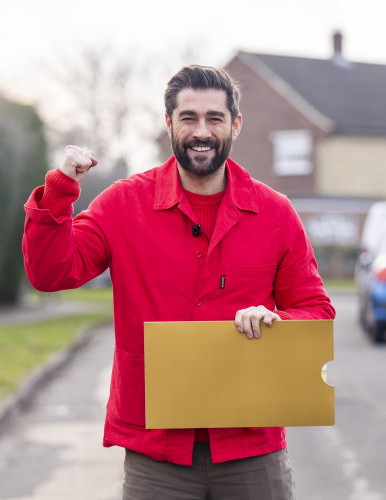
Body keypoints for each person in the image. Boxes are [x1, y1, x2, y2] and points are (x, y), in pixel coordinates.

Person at [22, 65, 335, 499]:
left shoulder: (275, 213)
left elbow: (317, 311)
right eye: (188, 118)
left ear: (235, 125)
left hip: (252, 447)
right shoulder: (123, 204)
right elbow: (51, 273)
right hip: (157, 450)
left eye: (214, 118)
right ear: (168, 123)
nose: (201, 131)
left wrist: (276, 319)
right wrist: (60, 189)